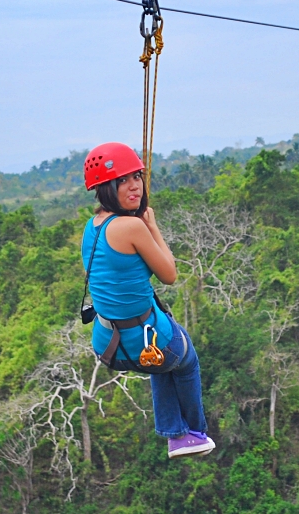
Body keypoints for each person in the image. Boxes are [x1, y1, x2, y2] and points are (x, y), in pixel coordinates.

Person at [81, 142, 214, 458]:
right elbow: (169, 274)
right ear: (105, 188)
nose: (134, 186)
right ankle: (194, 432)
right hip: (144, 342)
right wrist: (152, 226)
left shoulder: (93, 226)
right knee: (184, 358)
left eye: (136, 177)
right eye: (123, 181)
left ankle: (174, 433)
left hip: (107, 344)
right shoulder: (132, 226)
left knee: (160, 359)